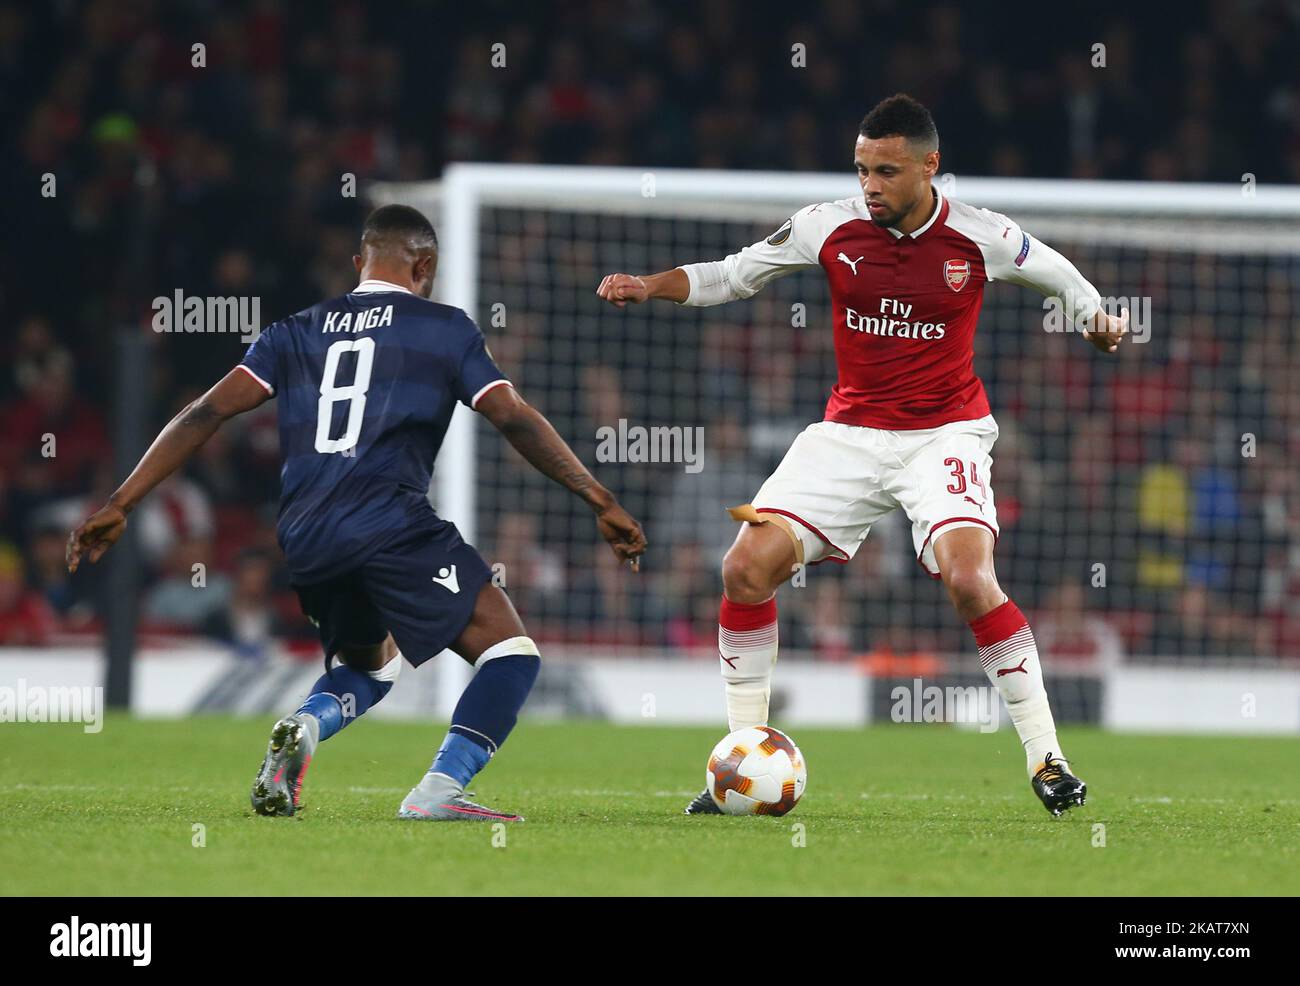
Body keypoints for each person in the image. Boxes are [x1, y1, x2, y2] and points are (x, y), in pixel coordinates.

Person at [596, 94, 1127, 817]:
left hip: (946, 434)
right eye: (861, 169)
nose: (870, 185)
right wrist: (649, 285)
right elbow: (734, 272)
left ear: (928, 167)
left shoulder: (981, 237)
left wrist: (1096, 317)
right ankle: (742, 763)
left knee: (971, 582)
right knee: (745, 567)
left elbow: (1058, 273)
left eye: (885, 170)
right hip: (846, 435)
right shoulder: (828, 225)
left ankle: (1047, 758)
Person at [68, 204, 646, 822]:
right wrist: (599, 497)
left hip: (307, 535)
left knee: (370, 669)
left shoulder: (293, 330)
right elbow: (512, 415)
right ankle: (438, 792)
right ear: (425, 265)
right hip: (389, 520)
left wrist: (120, 502)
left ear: (358, 262)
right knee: (511, 653)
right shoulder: (445, 329)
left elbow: (203, 413)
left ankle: (305, 725)